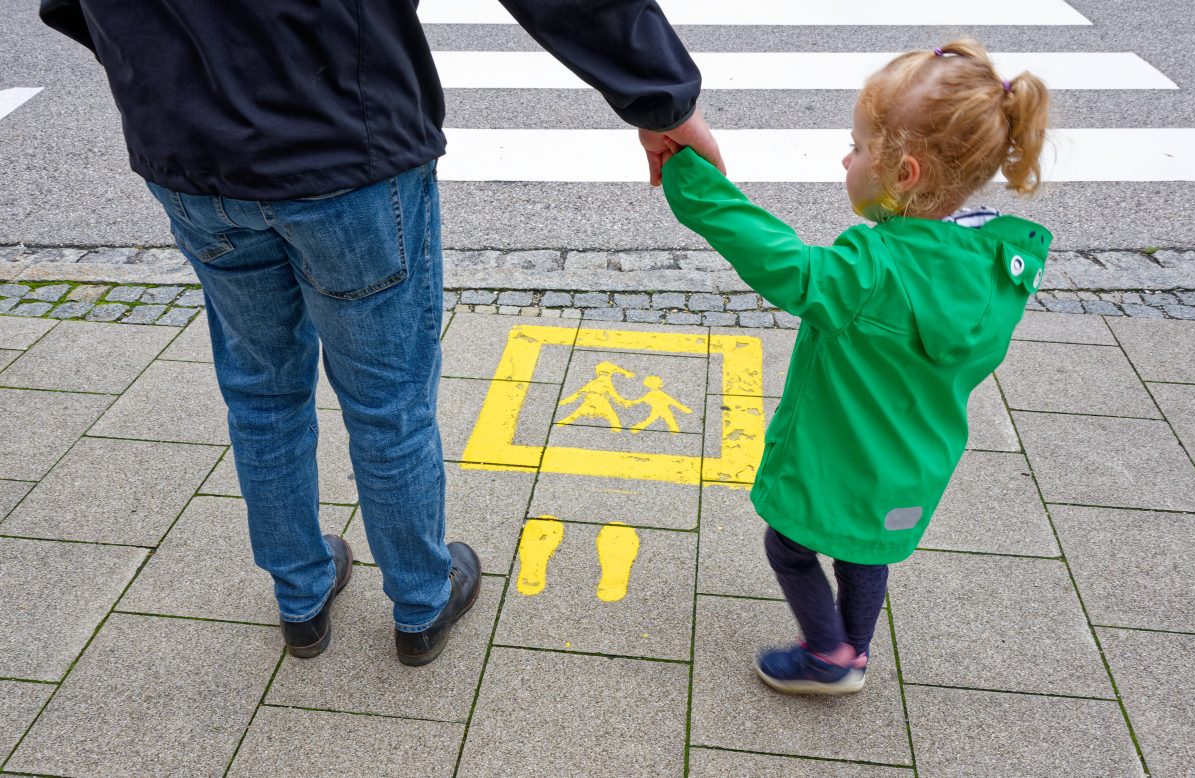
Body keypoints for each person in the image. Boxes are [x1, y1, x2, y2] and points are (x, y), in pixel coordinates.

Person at [40, 0, 724, 665]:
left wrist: (167, 69)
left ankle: (300, 597)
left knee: (261, 390)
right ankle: (421, 603)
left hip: (191, 154)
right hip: (344, 143)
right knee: (387, 402)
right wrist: (662, 98)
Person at [661, 40, 1050, 693]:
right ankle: (856, 649)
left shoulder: (874, 271)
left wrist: (697, 187)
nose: (847, 158)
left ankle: (826, 656)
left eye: (860, 146)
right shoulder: (996, 269)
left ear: (905, 175)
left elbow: (786, 264)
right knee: (867, 552)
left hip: (838, 458)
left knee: (788, 546)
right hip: (911, 469)